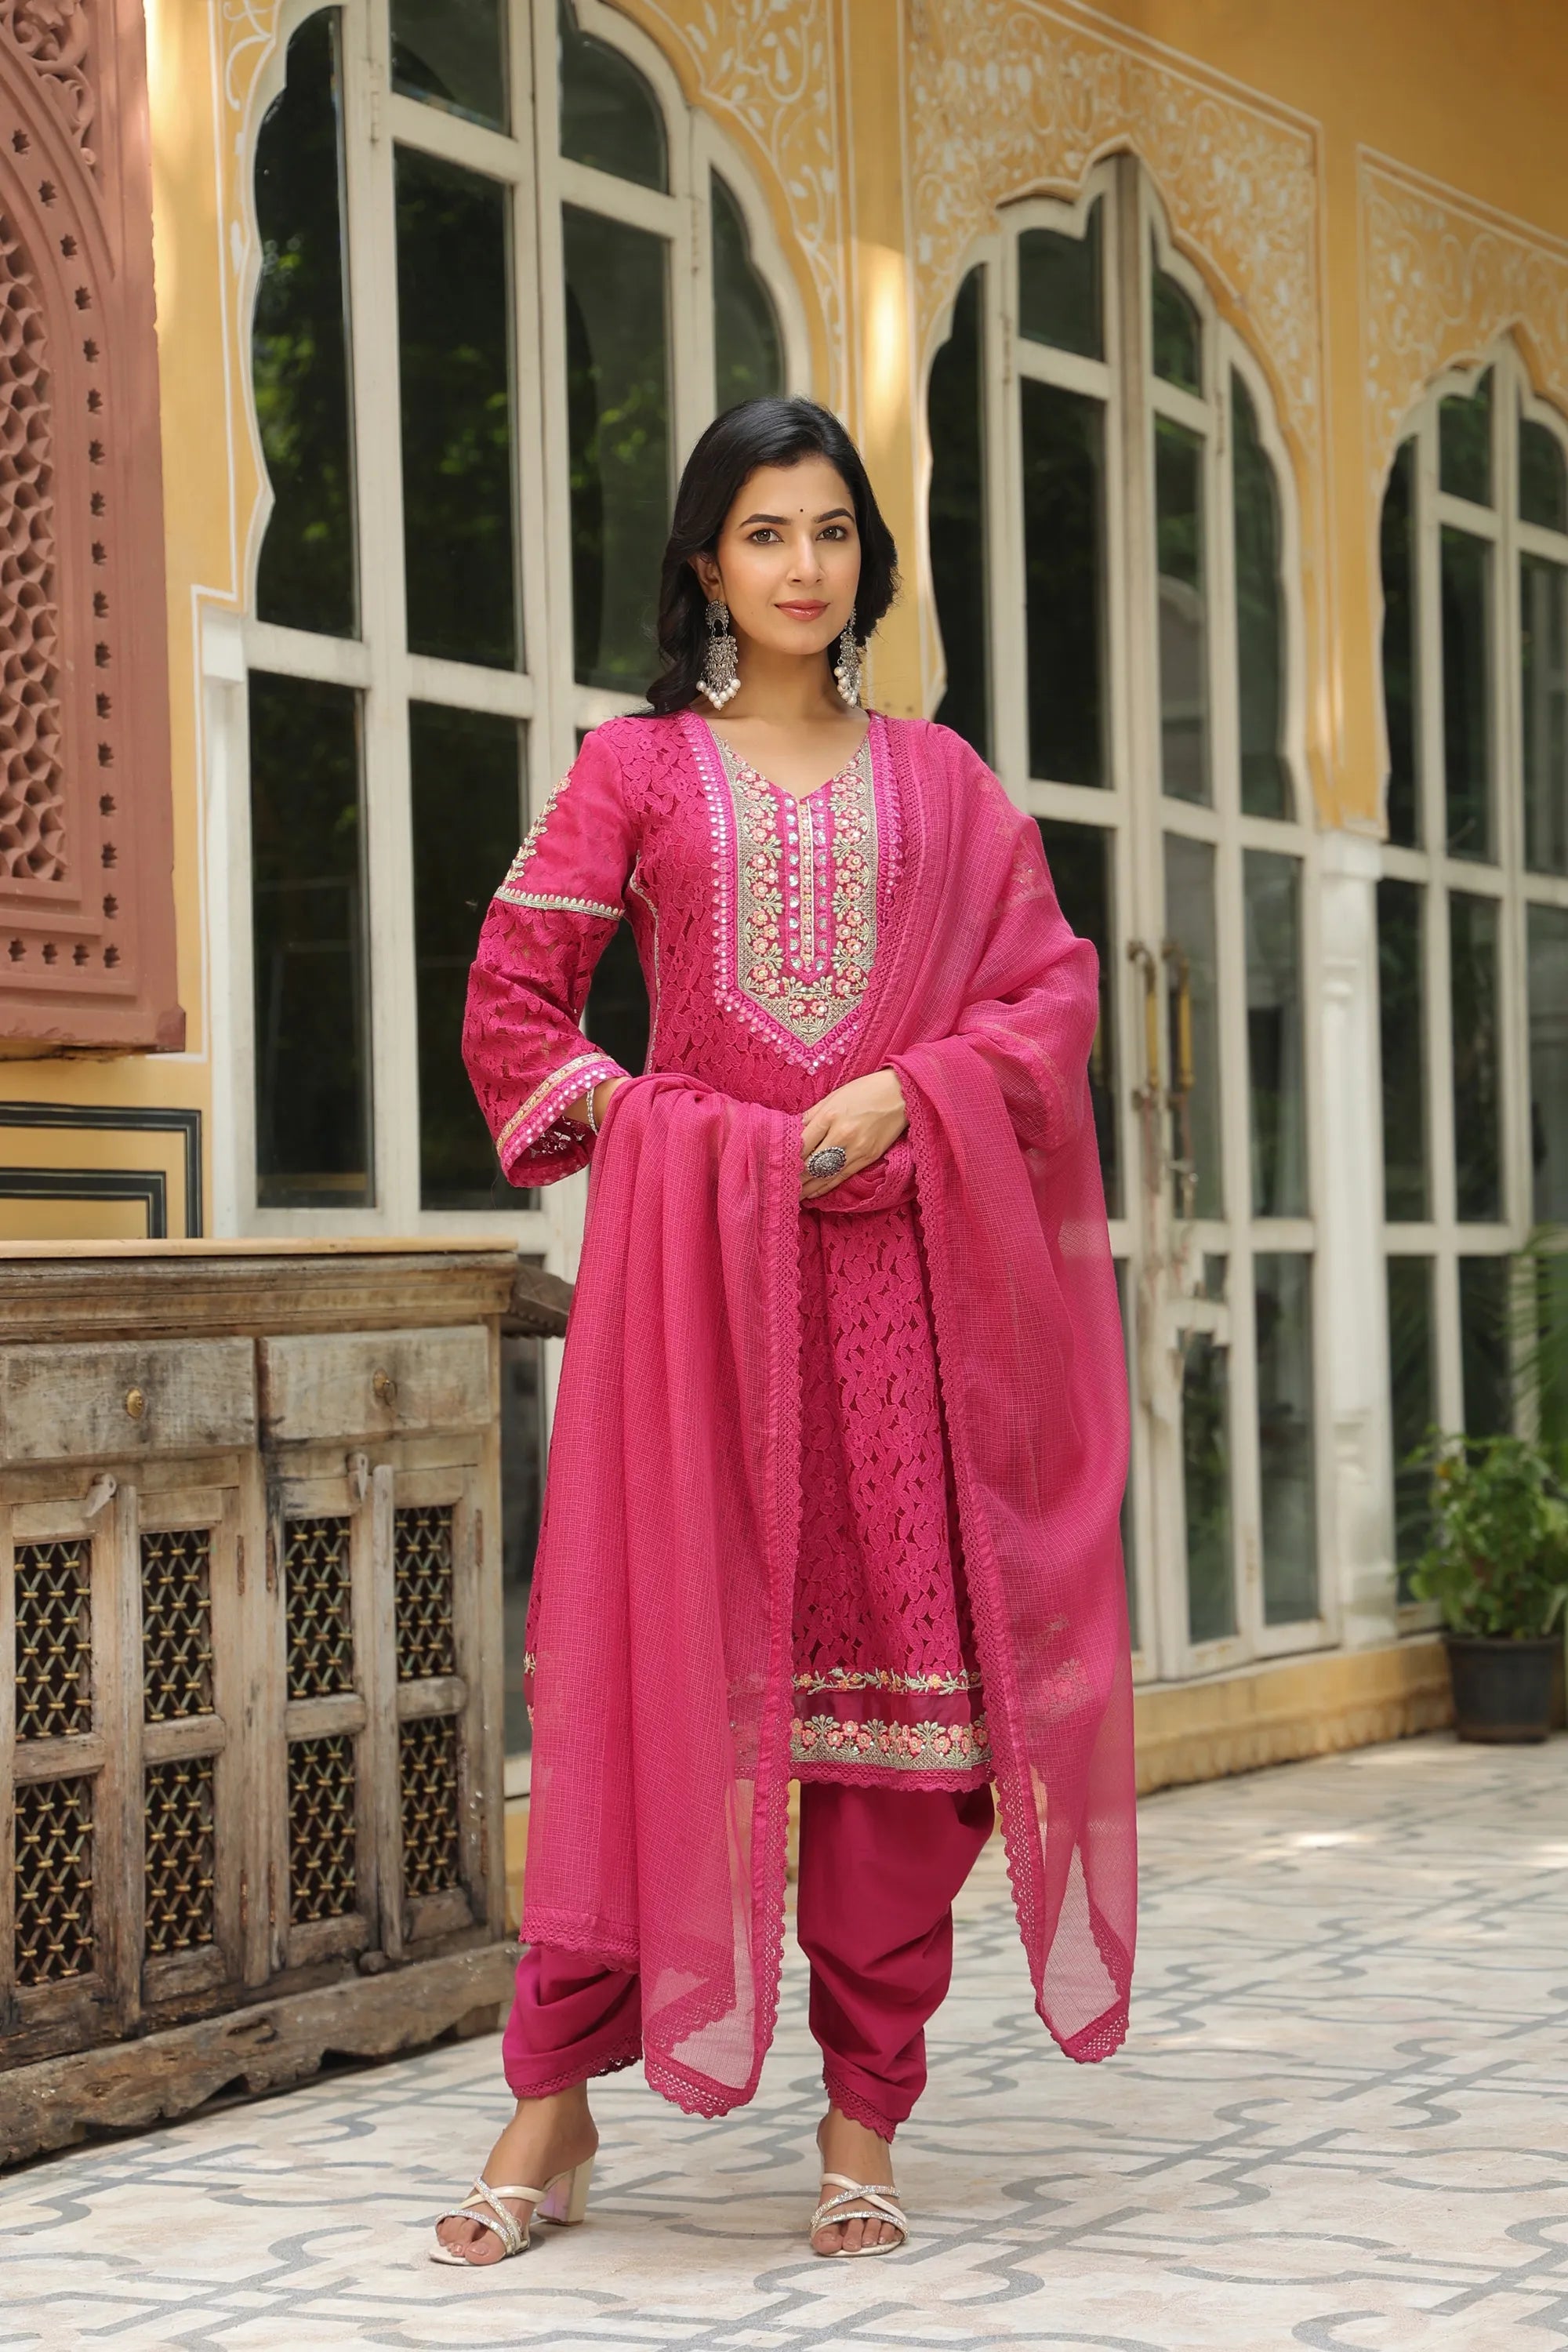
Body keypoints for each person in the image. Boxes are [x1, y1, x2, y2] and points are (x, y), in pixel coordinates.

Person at [437, 397, 1135, 2268]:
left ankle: (861, 2113)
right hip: (696, 1321)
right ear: (703, 566)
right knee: (648, 1684)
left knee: (903, 1725)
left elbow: (1048, 1002)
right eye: (764, 535)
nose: (803, 568)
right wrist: (670, 1139)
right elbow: (514, 1005)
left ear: (863, 562)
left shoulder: (947, 787)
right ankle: (555, 2100)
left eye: (832, 532)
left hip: (902, 1308)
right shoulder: (635, 775)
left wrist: (917, 1091)